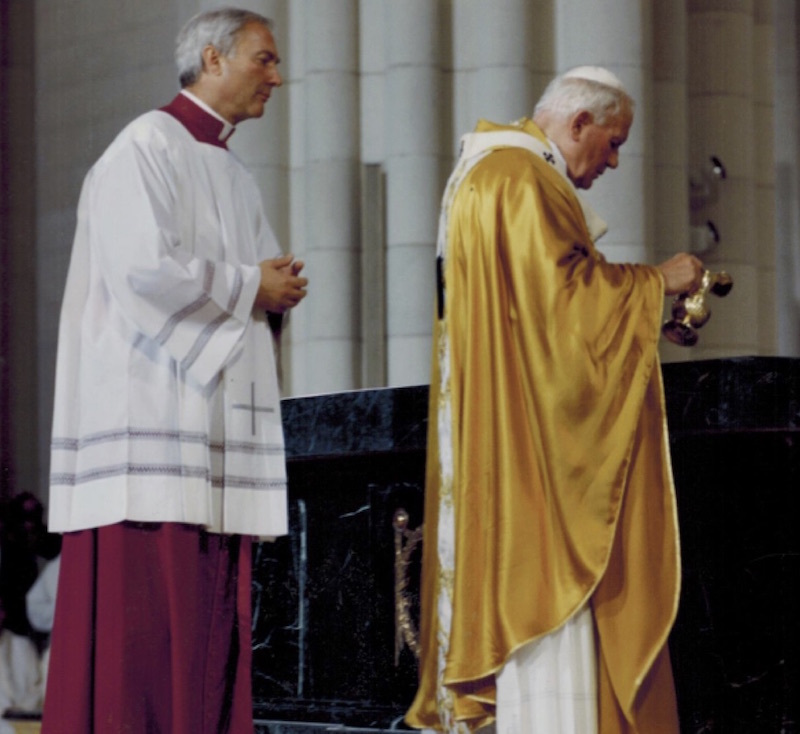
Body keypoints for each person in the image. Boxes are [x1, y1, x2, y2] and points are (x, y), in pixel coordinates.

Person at [405, 67, 703, 734]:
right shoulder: (522, 179)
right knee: (555, 654)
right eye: (613, 142)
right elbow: (563, 317)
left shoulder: (487, 176)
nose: (616, 161)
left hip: (505, 442)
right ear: (578, 124)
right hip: (539, 472)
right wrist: (658, 282)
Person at [43, 8, 307, 733]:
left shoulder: (231, 169)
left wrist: (271, 293)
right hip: (153, 434)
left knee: (210, 637)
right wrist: (253, 287)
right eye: (264, 60)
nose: (277, 78)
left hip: (209, 434)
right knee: (147, 645)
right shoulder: (144, 146)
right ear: (213, 59)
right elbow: (141, 273)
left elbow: (247, 283)